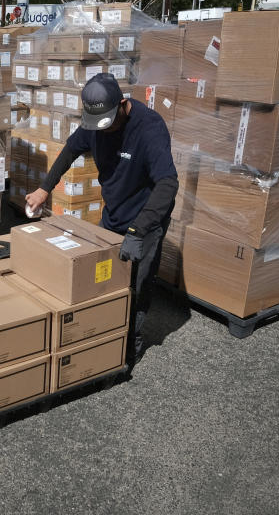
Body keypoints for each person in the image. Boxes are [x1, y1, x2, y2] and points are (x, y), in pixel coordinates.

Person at [25, 74, 178, 369]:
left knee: (137, 285)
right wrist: (45, 188)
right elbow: (70, 150)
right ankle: (105, 340)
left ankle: (129, 349)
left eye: (110, 124)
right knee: (106, 281)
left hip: (145, 220)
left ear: (123, 104)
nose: (104, 132)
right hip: (114, 214)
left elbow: (168, 184)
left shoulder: (150, 128)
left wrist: (139, 229)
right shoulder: (95, 125)